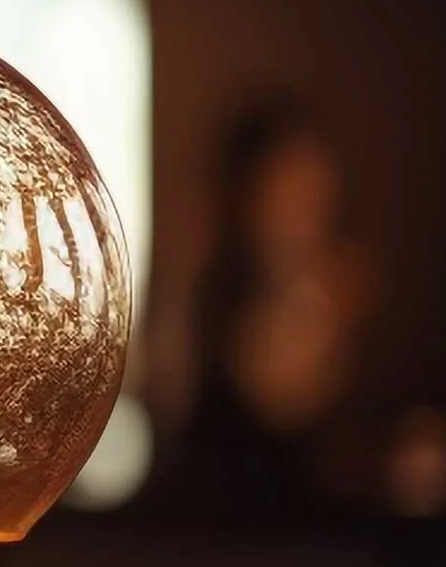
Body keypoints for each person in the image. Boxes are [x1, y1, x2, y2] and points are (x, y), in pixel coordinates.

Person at [151, 101, 374, 514]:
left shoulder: (347, 290)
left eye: (313, 191)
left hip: (329, 533)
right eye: (287, 189)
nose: (301, 210)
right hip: (222, 524)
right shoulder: (212, 292)